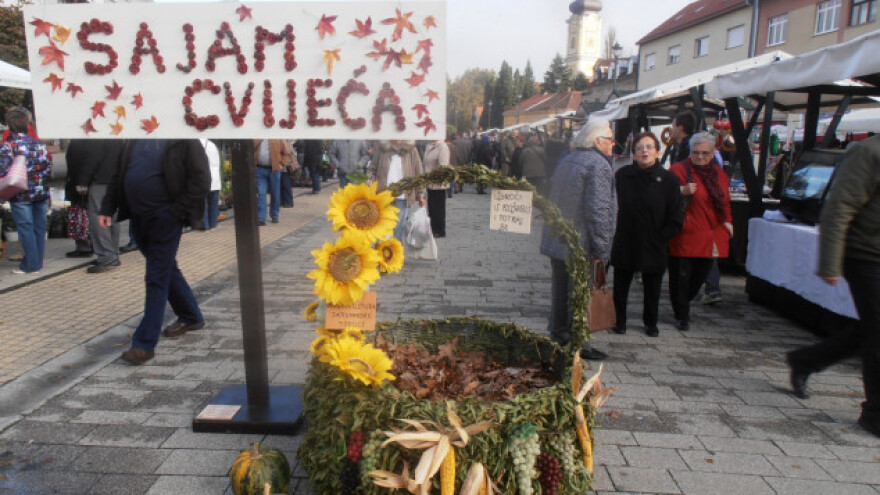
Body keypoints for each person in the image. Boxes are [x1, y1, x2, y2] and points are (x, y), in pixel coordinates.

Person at [786, 135, 880, 438]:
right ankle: (875, 414)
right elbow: (840, 207)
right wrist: (830, 262)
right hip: (867, 255)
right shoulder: (869, 151)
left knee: (872, 327)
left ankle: (806, 360)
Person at [98, 139, 210, 365]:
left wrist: (176, 212)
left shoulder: (183, 138)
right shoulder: (132, 139)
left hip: (166, 218)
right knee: (166, 267)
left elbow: (201, 180)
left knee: (156, 276)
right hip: (139, 218)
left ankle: (144, 344)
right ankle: (191, 315)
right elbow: (118, 176)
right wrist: (107, 207)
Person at [540, 118, 617, 360]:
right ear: (597, 141)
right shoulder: (598, 165)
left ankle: (559, 333)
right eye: (610, 140)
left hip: (558, 239)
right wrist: (603, 249)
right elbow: (598, 211)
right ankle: (579, 342)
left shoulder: (568, 160)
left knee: (561, 290)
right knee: (581, 293)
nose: (614, 145)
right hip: (581, 243)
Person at [610, 132, 683, 337]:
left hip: (654, 240)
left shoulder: (668, 179)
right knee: (621, 284)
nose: (645, 151)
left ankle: (651, 322)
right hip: (626, 237)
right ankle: (619, 321)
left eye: (650, 147)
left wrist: (662, 237)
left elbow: (676, 214)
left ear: (658, 152)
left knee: (652, 286)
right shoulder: (623, 176)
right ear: (633, 154)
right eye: (640, 147)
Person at [667, 132, 732, 331]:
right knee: (681, 276)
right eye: (696, 153)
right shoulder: (678, 170)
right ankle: (682, 314)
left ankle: (682, 303)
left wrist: (728, 221)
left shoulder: (719, 174)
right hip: (685, 232)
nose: (700, 157)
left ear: (713, 153)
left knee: (701, 273)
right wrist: (681, 191)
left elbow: (725, 201)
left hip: (710, 232)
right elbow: (665, 196)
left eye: (705, 153)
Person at [0, 107, 52, 275]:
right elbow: (48, 167)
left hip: (20, 193)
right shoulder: (39, 144)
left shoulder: (10, 145)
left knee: (25, 227)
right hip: (41, 191)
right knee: (39, 227)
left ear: (9, 125)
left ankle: (30, 265)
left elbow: (2, 169)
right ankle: (37, 261)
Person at [77, 139, 125, 273]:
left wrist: (82, 181)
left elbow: (93, 159)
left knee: (99, 217)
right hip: (115, 179)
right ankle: (112, 252)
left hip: (100, 181)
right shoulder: (116, 136)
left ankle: (106, 255)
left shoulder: (97, 137)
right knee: (113, 217)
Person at [371, 140, 424, 241]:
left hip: (403, 196)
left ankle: (396, 252)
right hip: (383, 195)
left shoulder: (412, 150)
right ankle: (385, 252)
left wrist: (421, 194)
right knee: (384, 227)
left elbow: (418, 172)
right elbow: (372, 169)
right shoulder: (382, 149)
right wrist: (371, 184)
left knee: (399, 228)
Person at [64, 139, 96, 259]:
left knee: (81, 215)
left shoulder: (78, 142)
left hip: (79, 184)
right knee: (87, 214)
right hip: (87, 183)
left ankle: (84, 246)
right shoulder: (94, 140)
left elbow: (75, 165)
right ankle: (91, 244)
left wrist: (80, 184)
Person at [253, 139, 291, 225]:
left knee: (275, 193)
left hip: (274, 170)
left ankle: (275, 215)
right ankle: (261, 218)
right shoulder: (257, 137)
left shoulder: (278, 138)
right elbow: (251, 149)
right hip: (260, 169)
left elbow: (287, 153)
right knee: (261, 193)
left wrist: (281, 164)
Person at [422, 139, 450, 238]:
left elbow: (443, 165)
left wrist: (435, 176)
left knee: (438, 208)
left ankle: (439, 230)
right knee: (432, 207)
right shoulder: (429, 145)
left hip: (438, 183)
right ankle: (433, 228)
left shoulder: (442, 147)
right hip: (429, 182)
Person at [201, 138, 222, 230]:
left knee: (203, 204)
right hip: (215, 179)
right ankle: (213, 223)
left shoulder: (198, 144)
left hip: (204, 178)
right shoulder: (213, 145)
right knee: (213, 203)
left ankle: (204, 224)